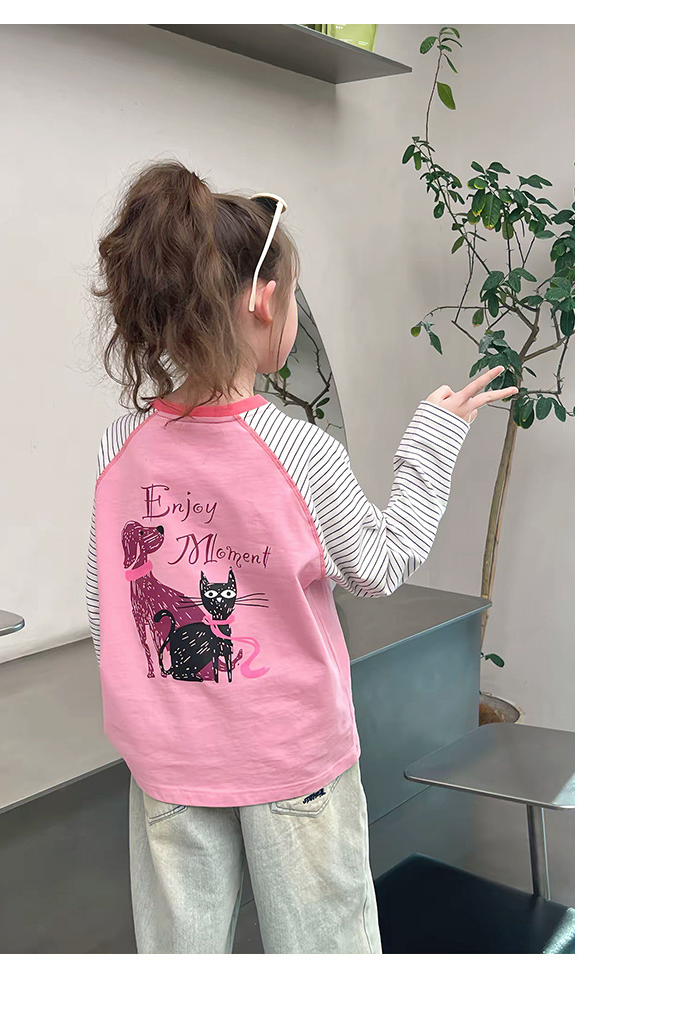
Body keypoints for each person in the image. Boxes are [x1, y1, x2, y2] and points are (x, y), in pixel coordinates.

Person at [85, 160, 519, 954]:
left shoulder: (121, 446)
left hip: (168, 762)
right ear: (263, 300)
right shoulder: (298, 450)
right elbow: (380, 565)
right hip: (293, 759)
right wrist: (436, 436)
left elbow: (104, 610)